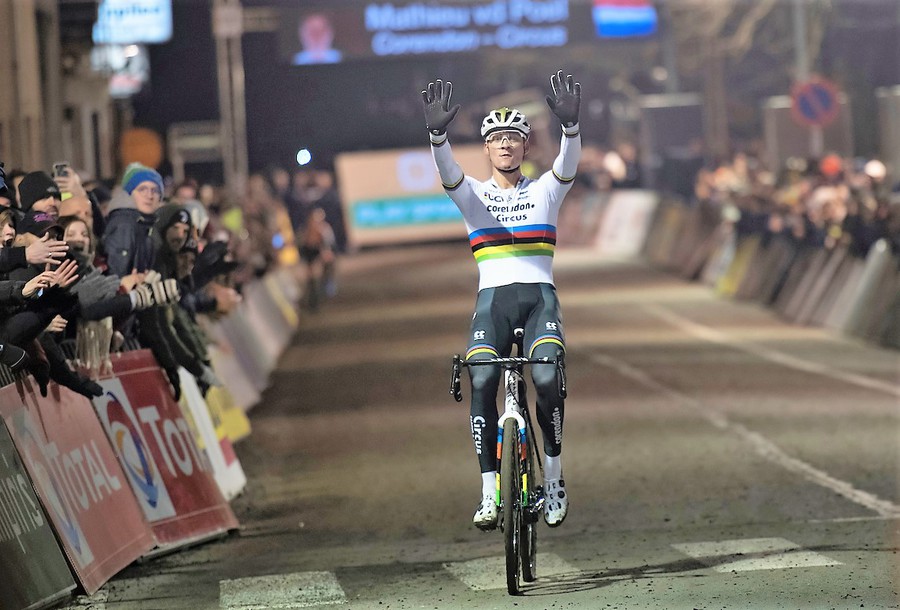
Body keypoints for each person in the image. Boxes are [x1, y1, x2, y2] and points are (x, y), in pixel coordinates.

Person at [421, 70, 581, 530]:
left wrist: (571, 128)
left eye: (514, 137)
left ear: (526, 147)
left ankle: (552, 477)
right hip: (491, 304)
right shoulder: (473, 196)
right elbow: (449, 173)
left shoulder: (546, 190)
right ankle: (489, 489)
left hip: (539, 304)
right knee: (482, 378)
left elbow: (569, 164)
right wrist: (437, 136)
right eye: (497, 139)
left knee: (548, 379)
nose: (506, 145)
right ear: (486, 149)